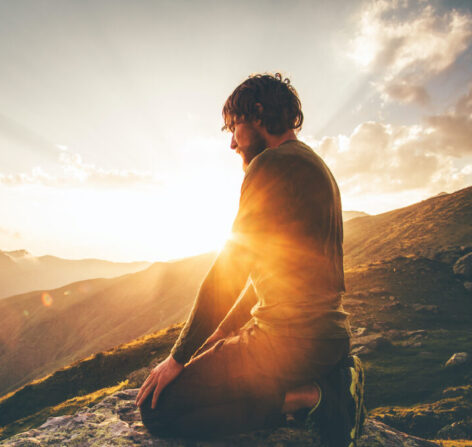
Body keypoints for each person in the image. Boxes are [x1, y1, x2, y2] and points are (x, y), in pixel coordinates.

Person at [135, 73, 366, 447]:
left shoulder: (270, 165)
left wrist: (178, 358)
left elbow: (233, 265)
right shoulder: (314, 165)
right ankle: (325, 384)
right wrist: (222, 332)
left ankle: (318, 397)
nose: (231, 142)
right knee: (210, 381)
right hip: (327, 339)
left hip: (287, 342)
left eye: (234, 126)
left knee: (158, 410)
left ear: (258, 114)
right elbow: (267, 270)